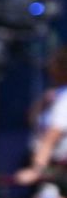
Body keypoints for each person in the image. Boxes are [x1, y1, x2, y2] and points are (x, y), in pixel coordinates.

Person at [15, 45, 67, 186]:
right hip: (46, 166)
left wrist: (36, 171)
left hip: (57, 172)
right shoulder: (55, 95)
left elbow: (52, 137)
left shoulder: (65, 100)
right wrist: (43, 103)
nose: (48, 66)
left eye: (53, 62)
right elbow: (30, 119)